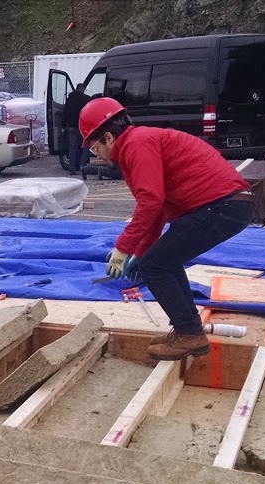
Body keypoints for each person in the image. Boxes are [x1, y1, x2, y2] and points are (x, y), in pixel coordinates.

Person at [80, 96, 255, 361]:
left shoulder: (136, 145)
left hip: (221, 206)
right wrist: (140, 251)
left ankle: (189, 333)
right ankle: (189, 329)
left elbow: (151, 202)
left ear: (108, 137)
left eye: (95, 148)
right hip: (226, 205)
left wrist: (123, 249)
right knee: (162, 262)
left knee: (157, 266)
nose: (98, 156)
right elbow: (158, 208)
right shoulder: (138, 142)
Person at [61, 86, 89, 174]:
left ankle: (71, 168)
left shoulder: (69, 100)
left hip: (72, 128)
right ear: (83, 89)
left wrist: (63, 125)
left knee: (73, 149)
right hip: (84, 127)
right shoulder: (87, 99)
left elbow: (64, 113)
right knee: (85, 147)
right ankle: (83, 166)